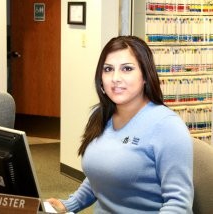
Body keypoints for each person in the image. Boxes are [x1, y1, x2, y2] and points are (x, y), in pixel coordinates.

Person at [47, 36, 194, 213]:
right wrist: (69, 204)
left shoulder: (167, 126)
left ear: (146, 75)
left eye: (127, 69)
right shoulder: (100, 115)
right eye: (108, 69)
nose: (115, 78)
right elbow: (101, 174)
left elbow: (179, 204)